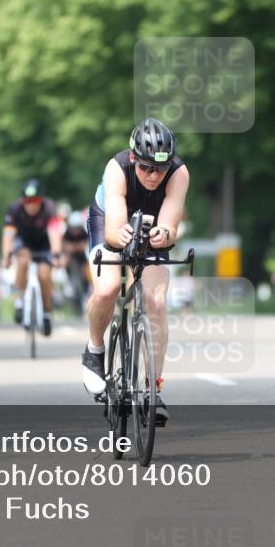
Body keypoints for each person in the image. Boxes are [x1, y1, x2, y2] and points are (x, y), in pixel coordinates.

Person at [82, 118, 190, 426]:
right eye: (146, 168)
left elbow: (170, 225)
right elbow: (114, 233)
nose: (154, 176)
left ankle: (152, 389)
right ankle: (94, 349)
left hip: (150, 224)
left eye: (161, 168)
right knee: (108, 288)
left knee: (155, 301)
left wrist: (163, 234)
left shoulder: (179, 174)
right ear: (133, 158)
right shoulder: (117, 169)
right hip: (111, 221)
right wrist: (126, 237)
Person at [1, 179, 62, 336]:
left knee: (44, 274)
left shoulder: (50, 208)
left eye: (35, 200)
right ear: (22, 200)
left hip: (44, 243)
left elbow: (55, 233)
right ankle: (20, 300)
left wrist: (56, 254)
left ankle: (47, 314)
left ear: (41, 199)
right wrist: (6, 255)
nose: (31, 205)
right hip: (24, 242)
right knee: (23, 260)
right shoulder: (15, 209)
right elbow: (8, 234)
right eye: (27, 201)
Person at [61, 210, 90, 316]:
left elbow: (84, 245)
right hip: (70, 259)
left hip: (81, 259)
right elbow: (65, 247)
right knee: (65, 262)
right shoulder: (67, 234)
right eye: (73, 228)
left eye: (77, 228)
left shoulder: (83, 233)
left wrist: (74, 247)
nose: (75, 231)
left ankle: (85, 293)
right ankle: (68, 286)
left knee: (86, 274)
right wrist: (74, 248)